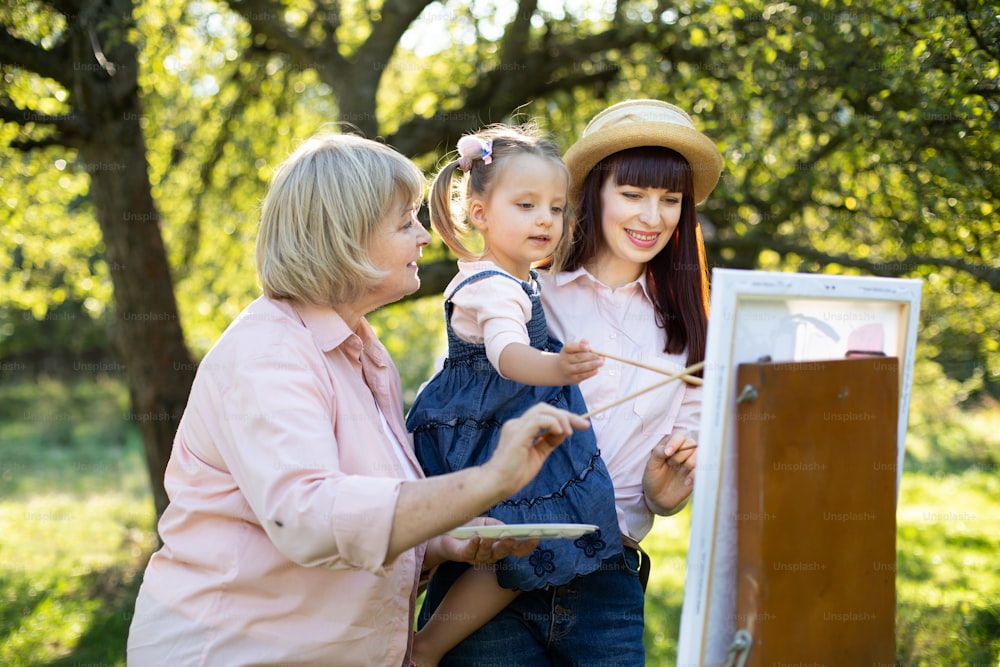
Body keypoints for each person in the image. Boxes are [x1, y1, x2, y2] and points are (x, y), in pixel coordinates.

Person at [125, 133, 591, 667]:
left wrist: (442, 543)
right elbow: (310, 519)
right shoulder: (268, 354)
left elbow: (365, 520)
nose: (424, 237)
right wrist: (488, 481)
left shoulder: (363, 355)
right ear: (342, 236)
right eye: (404, 222)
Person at [419, 100, 721, 664]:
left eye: (670, 200)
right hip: (489, 564)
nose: (652, 217)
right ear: (596, 193)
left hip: (606, 577)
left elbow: (663, 488)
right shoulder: (523, 290)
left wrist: (665, 491)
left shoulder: (694, 330)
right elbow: (465, 417)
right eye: (633, 195)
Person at [406, 125, 623, 666]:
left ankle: (419, 640)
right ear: (479, 213)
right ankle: (427, 647)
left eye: (556, 207)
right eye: (525, 205)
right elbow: (505, 353)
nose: (545, 220)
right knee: (512, 541)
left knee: (508, 544)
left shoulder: (510, 278)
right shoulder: (496, 287)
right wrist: (556, 366)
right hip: (492, 432)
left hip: (496, 421)